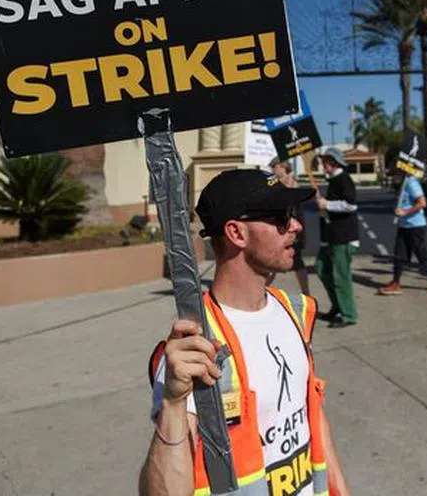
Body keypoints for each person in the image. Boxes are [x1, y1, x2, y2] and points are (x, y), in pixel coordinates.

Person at [139, 169, 351, 496]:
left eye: (293, 215)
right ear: (236, 233)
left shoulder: (294, 311)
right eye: (281, 217)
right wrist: (172, 404)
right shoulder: (195, 345)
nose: (295, 225)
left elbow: (313, 417)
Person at [377, 168, 427, 296]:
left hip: (415, 226)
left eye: (395, 172)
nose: (393, 175)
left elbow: (422, 203)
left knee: (423, 256)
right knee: (399, 255)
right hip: (404, 225)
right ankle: (396, 283)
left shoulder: (411, 183)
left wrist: (405, 212)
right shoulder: (402, 184)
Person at [316, 147, 358, 328]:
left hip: (343, 238)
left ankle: (348, 314)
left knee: (341, 277)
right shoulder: (333, 181)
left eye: (324, 161)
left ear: (332, 163)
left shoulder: (343, 179)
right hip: (330, 238)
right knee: (321, 269)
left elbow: (351, 205)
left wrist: (327, 204)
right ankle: (338, 306)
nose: (322, 165)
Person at [269, 157, 311, 295]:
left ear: (282, 167)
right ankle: (261, 289)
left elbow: (291, 204)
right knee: (273, 261)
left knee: (297, 261)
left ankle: (306, 293)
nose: (273, 170)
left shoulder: (292, 183)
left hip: (293, 229)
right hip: (282, 227)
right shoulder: (277, 183)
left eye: (274, 167)